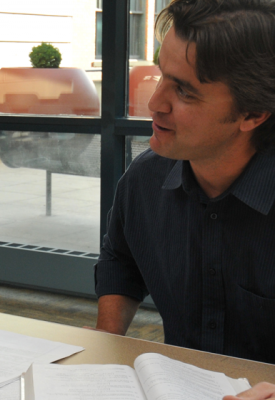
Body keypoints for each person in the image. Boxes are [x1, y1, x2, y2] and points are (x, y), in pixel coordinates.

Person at [94, 0, 275, 397]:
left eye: (185, 91)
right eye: (161, 75)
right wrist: (104, 351)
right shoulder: (144, 181)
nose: (155, 103)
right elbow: (121, 263)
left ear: (254, 113)